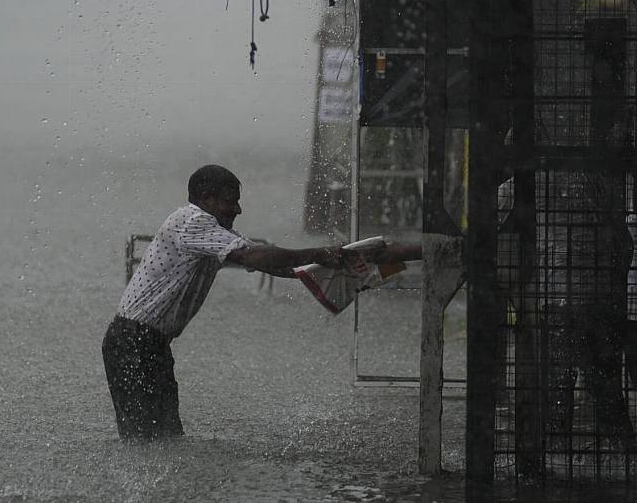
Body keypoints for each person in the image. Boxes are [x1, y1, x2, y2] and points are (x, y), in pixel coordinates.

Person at [102, 164, 421, 440]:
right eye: (231, 202)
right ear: (206, 200)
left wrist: (342, 265)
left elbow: (275, 264)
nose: (238, 210)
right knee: (145, 441)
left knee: (165, 437)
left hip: (149, 344)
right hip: (133, 342)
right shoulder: (192, 221)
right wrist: (319, 254)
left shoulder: (212, 234)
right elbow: (255, 255)